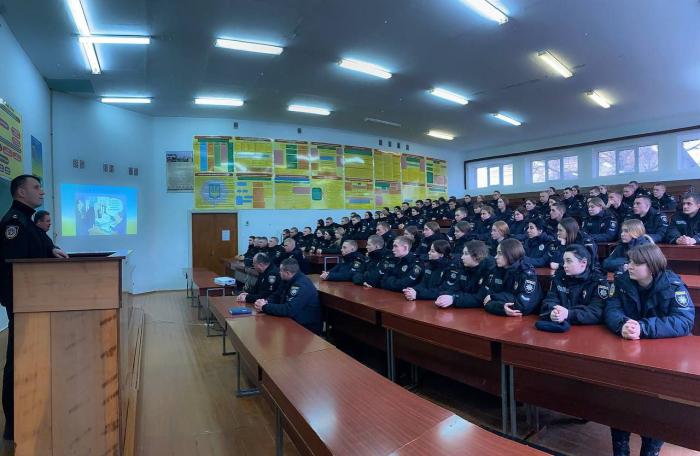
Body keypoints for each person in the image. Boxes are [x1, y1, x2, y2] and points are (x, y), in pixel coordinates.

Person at [604, 243, 694, 456]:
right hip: (628, 351)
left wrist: (643, 328)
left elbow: (684, 320)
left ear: (651, 267)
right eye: (629, 262)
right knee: (620, 402)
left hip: (663, 357)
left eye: (636, 263)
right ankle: (620, 449)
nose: (629, 266)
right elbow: (611, 309)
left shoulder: (672, 284)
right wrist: (622, 324)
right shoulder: (622, 281)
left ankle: (650, 451)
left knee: (655, 409)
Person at [0, 175, 68, 443]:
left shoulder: (28, 223)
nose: (42, 192)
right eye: (36, 187)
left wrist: (52, 251)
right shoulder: (14, 223)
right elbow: (15, 269)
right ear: (20, 192)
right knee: (18, 362)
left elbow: (38, 249)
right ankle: (15, 425)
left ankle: (32, 414)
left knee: (30, 361)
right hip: (24, 304)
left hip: (36, 304)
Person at [537, 245, 608, 332]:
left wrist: (569, 314)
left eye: (569, 261)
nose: (564, 265)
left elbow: (596, 312)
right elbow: (549, 300)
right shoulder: (559, 277)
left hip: (587, 331)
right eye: (564, 261)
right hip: (561, 327)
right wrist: (552, 312)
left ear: (583, 263)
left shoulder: (598, 281)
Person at [254, 258, 321, 334]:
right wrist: (265, 301)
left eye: (281, 271)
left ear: (287, 273)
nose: (279, 272)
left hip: (306, 328)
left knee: (267, 330)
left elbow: (289, 309)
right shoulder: (287, 279)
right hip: (292, 320)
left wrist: (265, 307)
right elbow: (277, 295)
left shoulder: (301, 285)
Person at [479, 239, 542, 317]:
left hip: (527, 318)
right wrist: (502, 308)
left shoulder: (527, 275)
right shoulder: (497, 270)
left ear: (510, 254)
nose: (495, 257)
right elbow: (486, 301)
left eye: (500, 253)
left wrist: (496, 297)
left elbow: (522, 307)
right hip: (501, 316)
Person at [436, 240, 496, 309]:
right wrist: (444, 295)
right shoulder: (464, 267)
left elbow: (480, 298)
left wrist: (454, 299)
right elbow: (455, 288)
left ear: (476, 256)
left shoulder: (489, 271)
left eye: (466, 254)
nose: (462, 257)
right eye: (463, 253)